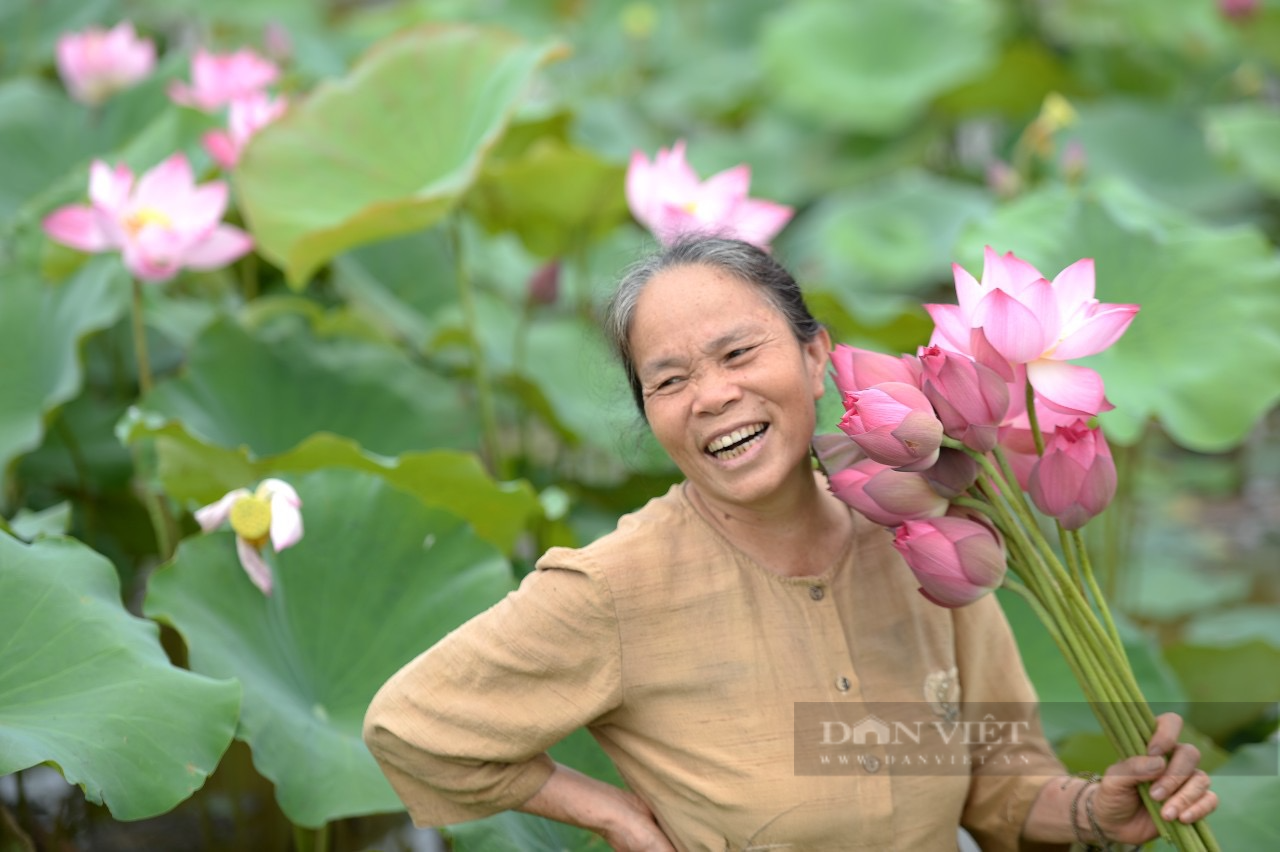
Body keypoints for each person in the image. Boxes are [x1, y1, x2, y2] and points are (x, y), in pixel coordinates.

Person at [363, 236, 1218, 851]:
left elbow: (1001, 784)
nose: (712, 396)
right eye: (669, 381)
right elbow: (414, 727)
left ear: (817, 360)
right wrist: (613, 813)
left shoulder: (926, 533)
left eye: (739, 352)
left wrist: (1090, 815)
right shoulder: (615, 586)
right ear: (650, 414)